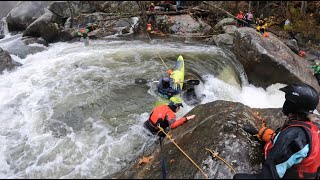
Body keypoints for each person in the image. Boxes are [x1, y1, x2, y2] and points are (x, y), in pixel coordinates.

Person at [234, 83, 320, 179]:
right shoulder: (312, 127)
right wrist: (259, 133)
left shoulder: (293, 135)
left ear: (292, 105)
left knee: (237, 177)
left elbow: (270, 175)